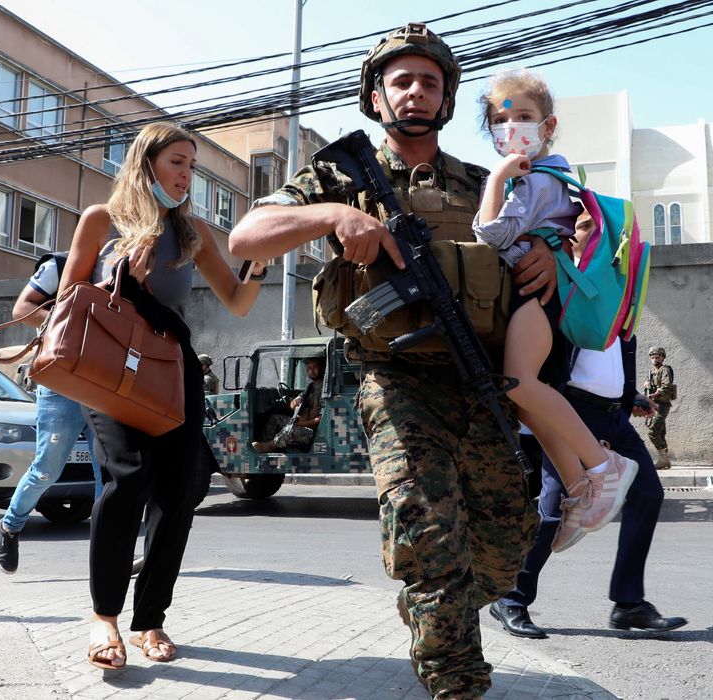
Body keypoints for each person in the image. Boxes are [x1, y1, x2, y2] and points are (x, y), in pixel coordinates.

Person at [229, 23, 561, 699]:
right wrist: (331, 217)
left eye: (429, 82)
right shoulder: (338, 174)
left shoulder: (481, 183)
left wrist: (544, 254)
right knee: (428, 536)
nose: (414, 92)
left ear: (445, 98)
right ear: (375, 97)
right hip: (396, 381)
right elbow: (246, 233)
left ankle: (433, 607)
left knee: (505, 540)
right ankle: (456, 680)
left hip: (480, 380)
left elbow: (546, 240)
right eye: (400, 81)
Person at [58, 121, 265, 671]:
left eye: (192, 166)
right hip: (109, 371)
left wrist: (262, 260)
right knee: (128, 479)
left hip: (170, 372)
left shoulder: (192, 231)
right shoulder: (102, 221)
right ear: (146, 162)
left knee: (179, 495)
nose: (186, 174)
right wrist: (119, 280)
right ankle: (105, 617)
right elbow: (68, 298)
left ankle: (150, 618)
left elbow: (238, 301)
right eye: (178, 162)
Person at [473, 69, 637, 552]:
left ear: (548, 125)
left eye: (523, 116)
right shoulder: (548, 174)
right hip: (542, 296)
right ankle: (580, 487)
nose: (511, 127)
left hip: (536, 297)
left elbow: (493, 236)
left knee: (521, 384)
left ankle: (604, 467)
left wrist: (498, 179)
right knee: (526, 396)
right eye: (500, 120)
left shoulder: (536, 178)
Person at [489, 333, 688, 639]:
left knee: (648, 493)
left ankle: (628, 603)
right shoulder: (571, 297)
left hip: (614, 417)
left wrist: (629, 395)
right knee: (555, 511)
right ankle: (511, 598)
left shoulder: (622, 309)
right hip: (569, 412)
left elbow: (607, 366)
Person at [0, 254, 104, 575]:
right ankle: (10, 526)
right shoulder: (59, 265)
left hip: (101, 384)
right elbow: (22, 308)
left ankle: (105, 549)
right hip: (60, 382)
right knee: (47, 469)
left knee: (107, 475)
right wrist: (67, 321)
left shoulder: (122, 265)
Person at [251, 354, 324, 453]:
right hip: (303, 423)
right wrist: (295, 402)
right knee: (274, 419)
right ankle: (266, 449)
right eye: (309, 368)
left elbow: (322, 418)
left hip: (315, 432)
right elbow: (293, 404)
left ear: (321, 368)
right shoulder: (311, 387)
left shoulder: (325, 389)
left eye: (315, 367)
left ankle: (270, 446)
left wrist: (303, 423)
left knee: (290, 430)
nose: (312, 371)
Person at [643, 346, 676, 470]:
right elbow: (650, 384)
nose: (655, 360)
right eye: (652, 357)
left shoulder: (664, 370)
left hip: (661, 405)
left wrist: (655, 394)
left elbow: (666, 386)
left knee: (653, 432)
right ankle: (664, 460)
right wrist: (646, 383)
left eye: (657, 357)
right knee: (660, 431)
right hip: (654, 404)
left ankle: (663, 459)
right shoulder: (652, 371)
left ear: (662, 357)